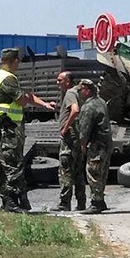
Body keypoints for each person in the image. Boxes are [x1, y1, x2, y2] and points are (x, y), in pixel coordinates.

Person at [0, 48, 56, 212]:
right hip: (7, 129)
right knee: (13, 165)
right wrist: (27, 98)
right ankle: (11, 203)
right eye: (18, 61)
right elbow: (21, 100)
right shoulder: (8, 79)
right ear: (14, 61)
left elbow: (23, 95)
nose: (19, 64)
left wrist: (43, 104)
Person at [76, 79, 113, 214]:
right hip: (106, 142)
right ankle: (101, 201)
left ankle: (96, 203)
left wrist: (83, 146)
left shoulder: (88, 106)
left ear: (87, 90)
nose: (79, 93)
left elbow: (84, 131)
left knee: (93, 172)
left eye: (80, 90)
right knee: (102, 172)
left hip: (96, 144)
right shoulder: (101, 101)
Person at [51, 72, 86, 212]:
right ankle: (81, 202)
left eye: (60, 80)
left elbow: (75, 110)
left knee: (65, 169)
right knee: (78, 171)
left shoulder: (70, 93)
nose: (57, 82)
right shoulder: (79, 93)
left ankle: (64, 203)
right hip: (78, 137)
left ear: (68, 81)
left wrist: (65, 128)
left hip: (70, 138)